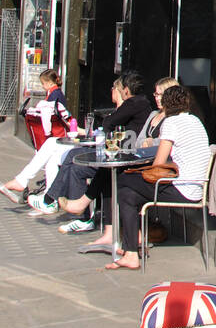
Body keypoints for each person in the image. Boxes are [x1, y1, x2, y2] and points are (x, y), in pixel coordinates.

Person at [79, 83, 209, 272]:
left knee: (121, 179)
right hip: (196, 187)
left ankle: (128, 243)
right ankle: (131, 252)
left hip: (180, 188)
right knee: (127, 195)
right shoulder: (195, 121)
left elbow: (158, 164)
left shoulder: (171, 123)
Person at [58, 77, 179, 247]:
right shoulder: (153, 115)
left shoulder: (174, 120)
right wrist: (148, 143)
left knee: (112, 175)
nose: (157, 98)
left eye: (160, 95)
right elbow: (139, 141)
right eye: (156, 94)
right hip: (140, 159)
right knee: (109, 171)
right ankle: (108, 231)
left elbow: (165, 146)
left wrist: (151, 143)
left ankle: (87, 208)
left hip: (156, 167)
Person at [29, 72, 153, 222]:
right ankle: (78, 216)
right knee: (75, 164)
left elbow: (108, 124)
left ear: (125, 90)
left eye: (117, 89)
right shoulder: (139, 103)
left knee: (75, 156)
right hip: (116, 151)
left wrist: (112, 116)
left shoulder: (134, 103)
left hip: (121, 154)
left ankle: (52, 201)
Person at [0, 70, 71, 204]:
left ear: (49, 83)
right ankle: (48, 198)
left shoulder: (54, 96)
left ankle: (25, 183)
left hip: (60, 135)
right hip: (62, 134)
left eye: (43, 84)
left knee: (50, 149)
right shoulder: (55, 94)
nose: (43, 87)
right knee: (51, 160)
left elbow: (52, 115)